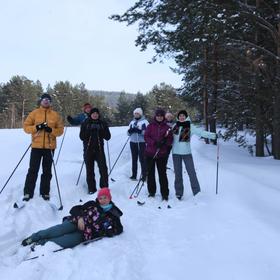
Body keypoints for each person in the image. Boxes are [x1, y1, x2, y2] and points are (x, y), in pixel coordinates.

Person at [21, 188, 123, 249]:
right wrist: (80, 218)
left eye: (105, 197)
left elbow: (119, 229)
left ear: (110, 198)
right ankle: (33, 238)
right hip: (74, 222)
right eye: (100, 198)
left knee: (62, 241)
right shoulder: (92, 204)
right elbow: (75, 209)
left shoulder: (113, 214)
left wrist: (110, 232)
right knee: (55, 230)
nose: (103, 200)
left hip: (84, 234)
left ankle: (39, 244)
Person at [22, 94, 64, 202]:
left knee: (47, 170)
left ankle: (45, 192)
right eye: (44, 100)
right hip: (36, 146)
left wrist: (51, 130)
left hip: (50, 147)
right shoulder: (34, 113)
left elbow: (60, 131)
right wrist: (37, 127)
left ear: (50, 102)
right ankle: (28, 192)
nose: (46, 101)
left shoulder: (55, 115)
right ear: (41, 101)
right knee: (33, 170)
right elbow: (26, 128)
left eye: (48, 100)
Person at [172, 110, 216, 200]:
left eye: (183, 116)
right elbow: (169, 138)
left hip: (187, 154)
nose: (181, 117)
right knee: (178, 174)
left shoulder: (190, 126)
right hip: (175, 153)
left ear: (186, 117)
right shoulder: (175, 126)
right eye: (180, 116)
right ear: (178, 117)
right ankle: (179, 193)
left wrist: (213, 135)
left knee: (192, 173)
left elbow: (201, 133)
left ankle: (197, 192)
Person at [80, 108, 111, 194]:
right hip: (88, 150)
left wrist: (101, 129)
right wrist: (88, 129)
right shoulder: (85, 123)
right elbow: (82, 137)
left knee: (103, 169)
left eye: (96, 113)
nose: (95, 115)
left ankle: (104, 188)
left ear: (98, 114)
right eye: (93, 113)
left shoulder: (102, 123)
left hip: (99, 150)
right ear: (90, 114)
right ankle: (91, 189)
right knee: (89, 170)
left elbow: (108, 137)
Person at [144, 109, 173, 200]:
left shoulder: (167, 127)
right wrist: (154, 143)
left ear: (163, 117)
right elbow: (146, 137)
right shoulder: (150, 126)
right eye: (158, 115)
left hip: (162, 154)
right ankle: (151, 191)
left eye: (161, 116)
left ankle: (165, 193)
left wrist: (164, 143)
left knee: (162, 174)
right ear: (155, 116)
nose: (159, 117)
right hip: (150, 153)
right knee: (151, 174)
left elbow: (170, 139)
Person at [127, 108, 149, 181]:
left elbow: (147, 133)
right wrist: (130, 131)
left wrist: (140, 131)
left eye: (138, 113)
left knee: (142, 159)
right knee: (134, 159)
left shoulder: (144, 122)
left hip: (141, 142)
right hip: (133, 142)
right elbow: (127, 133)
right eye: (135, 113)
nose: (136, 115)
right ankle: (134, 175)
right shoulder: (132, 122)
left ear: (141, 114)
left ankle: (144, 176)